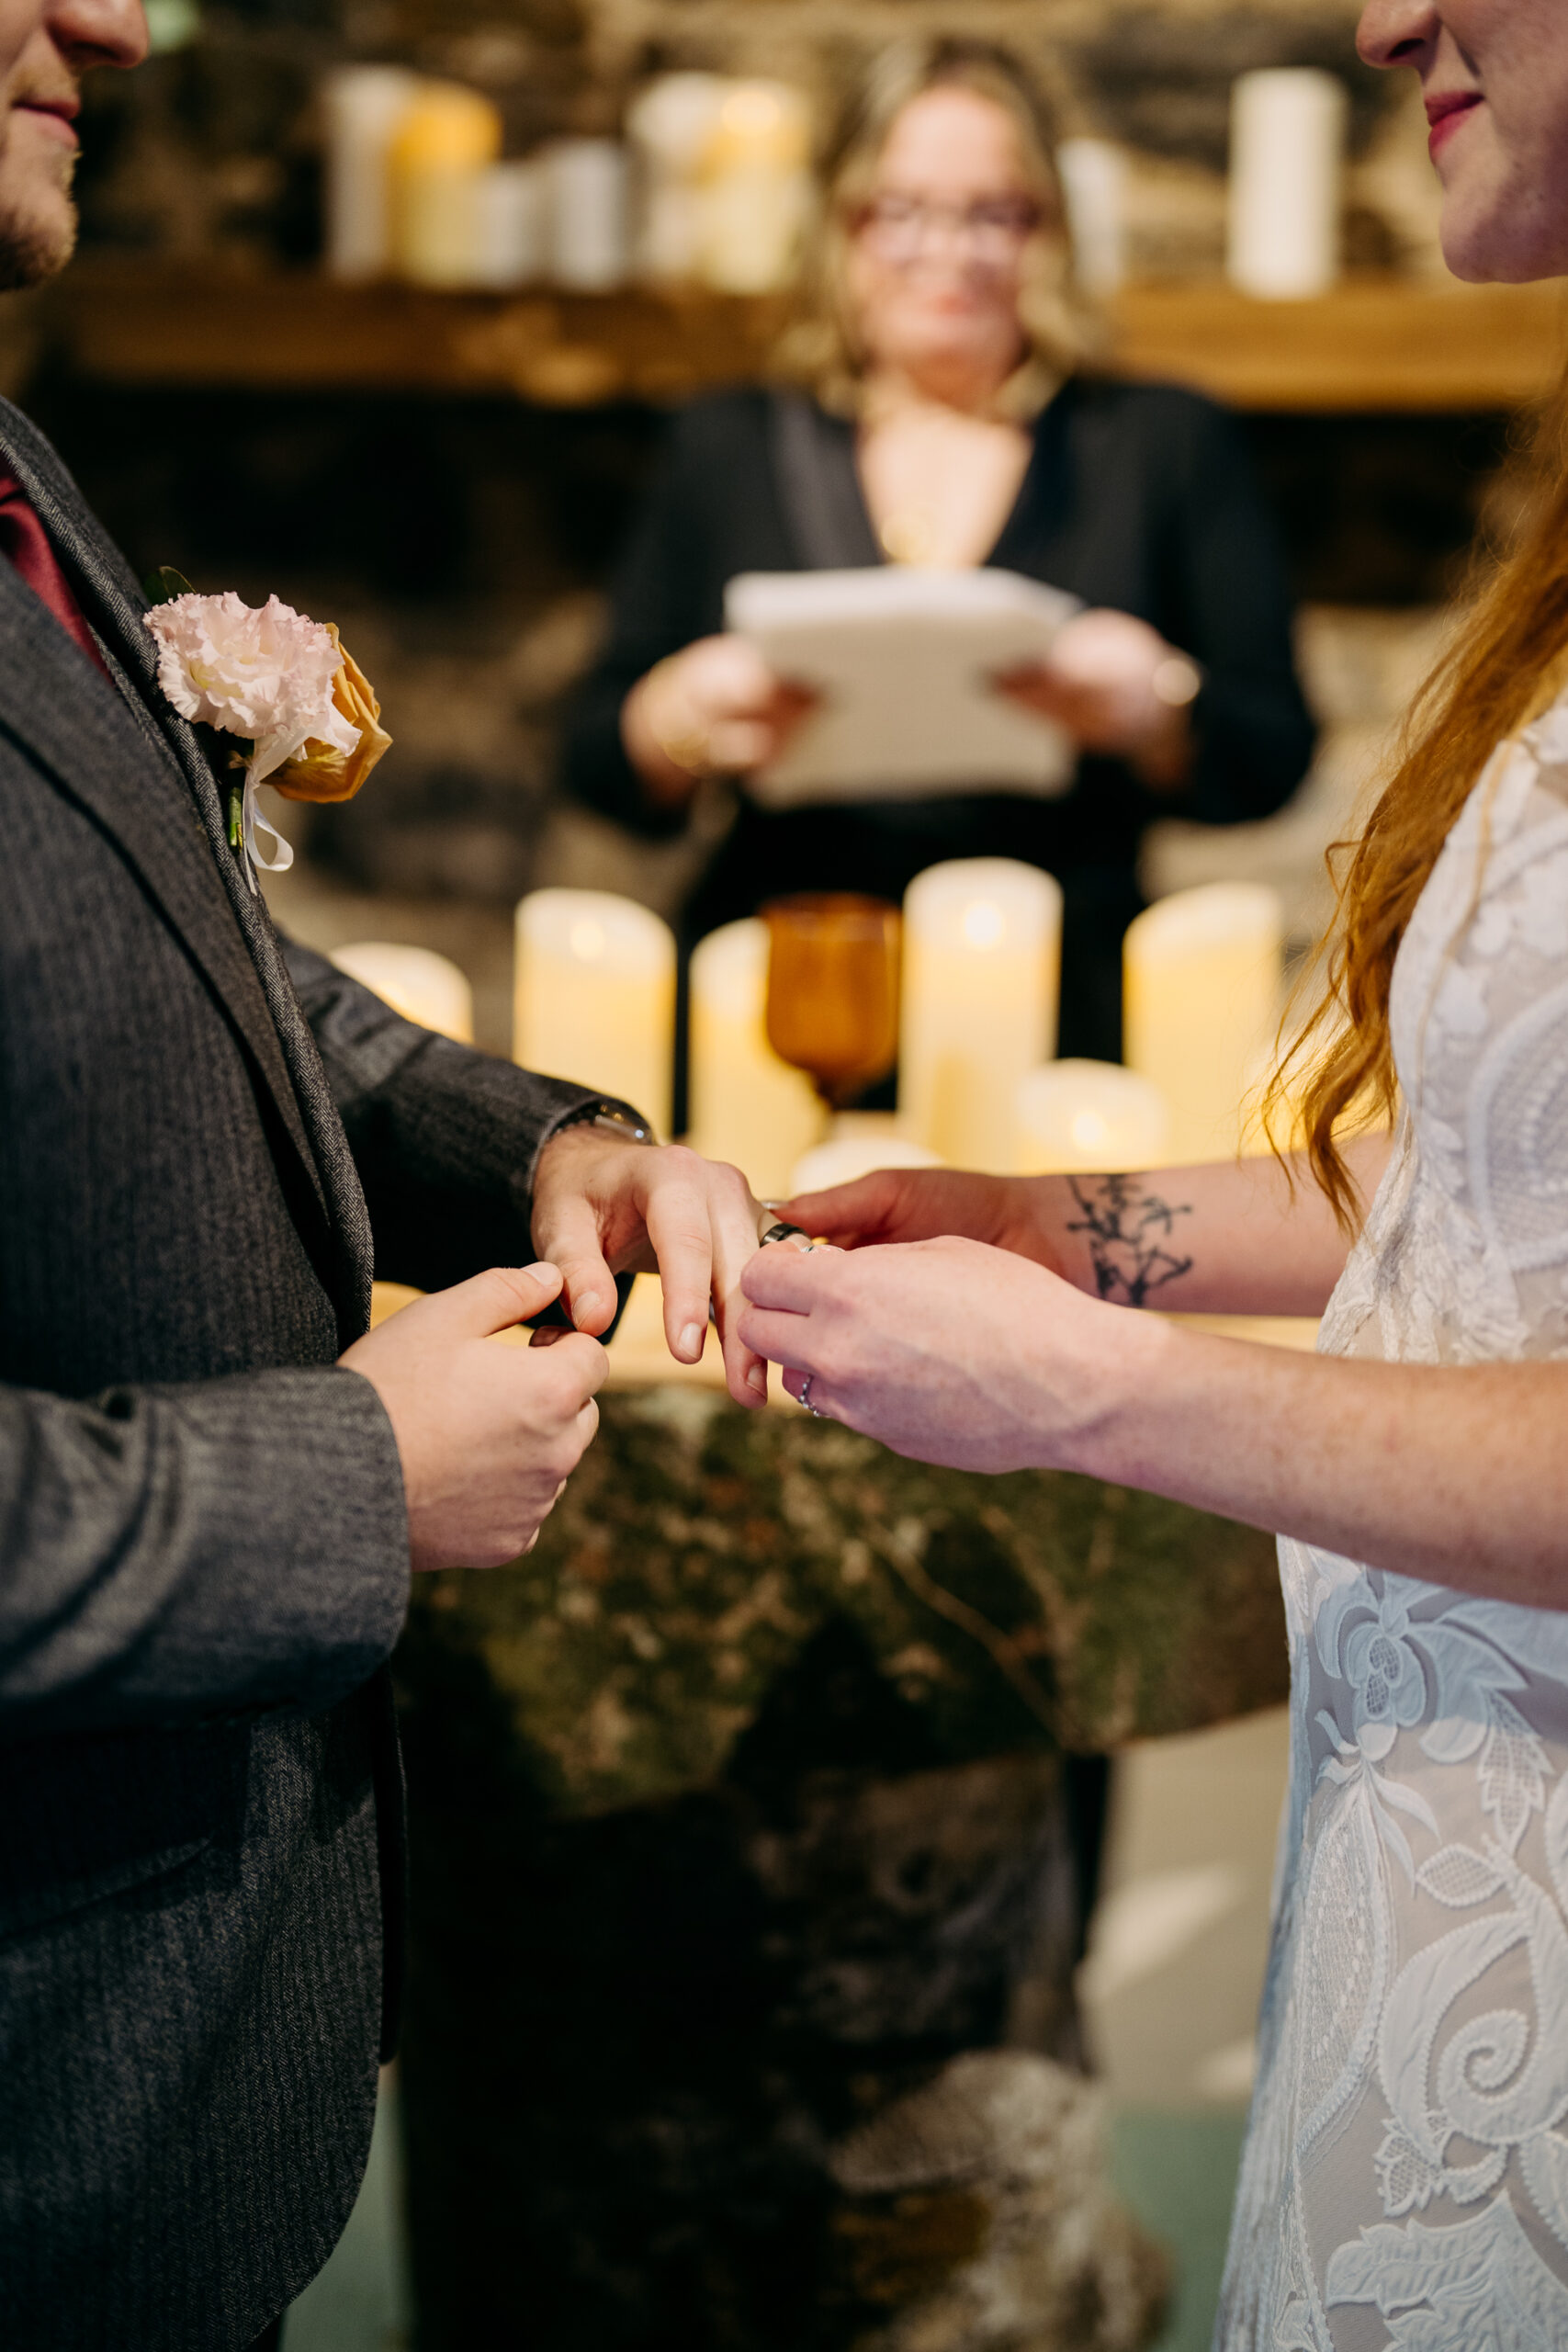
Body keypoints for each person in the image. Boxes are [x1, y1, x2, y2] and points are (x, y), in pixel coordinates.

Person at [740, 0, 1568, 2338]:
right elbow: (1510, 1170)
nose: (1371, 12)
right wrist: (1058, 1227)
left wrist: (1086, 1386)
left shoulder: (1144, 446)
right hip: (1449, 1817)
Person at [0, 1, 772, 2342]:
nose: (113, 18)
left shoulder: (19, 464)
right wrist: (351, 1476)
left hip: (164, 2082)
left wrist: (556, 1141)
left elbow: (224, 983)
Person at [563, 37, 1314, 1072]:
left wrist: (1160, 706)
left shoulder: (1156, 439)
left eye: (992, 213)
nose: (947, 251)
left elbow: (1272, 746)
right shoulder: (727, 442)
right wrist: (678, 714)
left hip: (1064, 1010)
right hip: (781, 996)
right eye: (899, 209)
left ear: (1046, 228)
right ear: (839, 226)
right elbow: (596, 755)